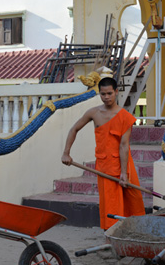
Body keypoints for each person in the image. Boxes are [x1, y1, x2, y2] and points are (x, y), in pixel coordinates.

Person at [61, 77, 145, 230]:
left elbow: (124, 146)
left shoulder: (124, 116)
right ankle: (109, 240)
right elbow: (74, 129)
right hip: (105, 165)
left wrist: (124, 173)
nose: (106, 97)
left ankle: (135, 233)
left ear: (116, 92)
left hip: (124, 164)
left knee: (133, 200)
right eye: (103, 94)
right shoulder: (94, 113)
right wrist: (66, 153)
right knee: (110, 204)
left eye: (109, 93)